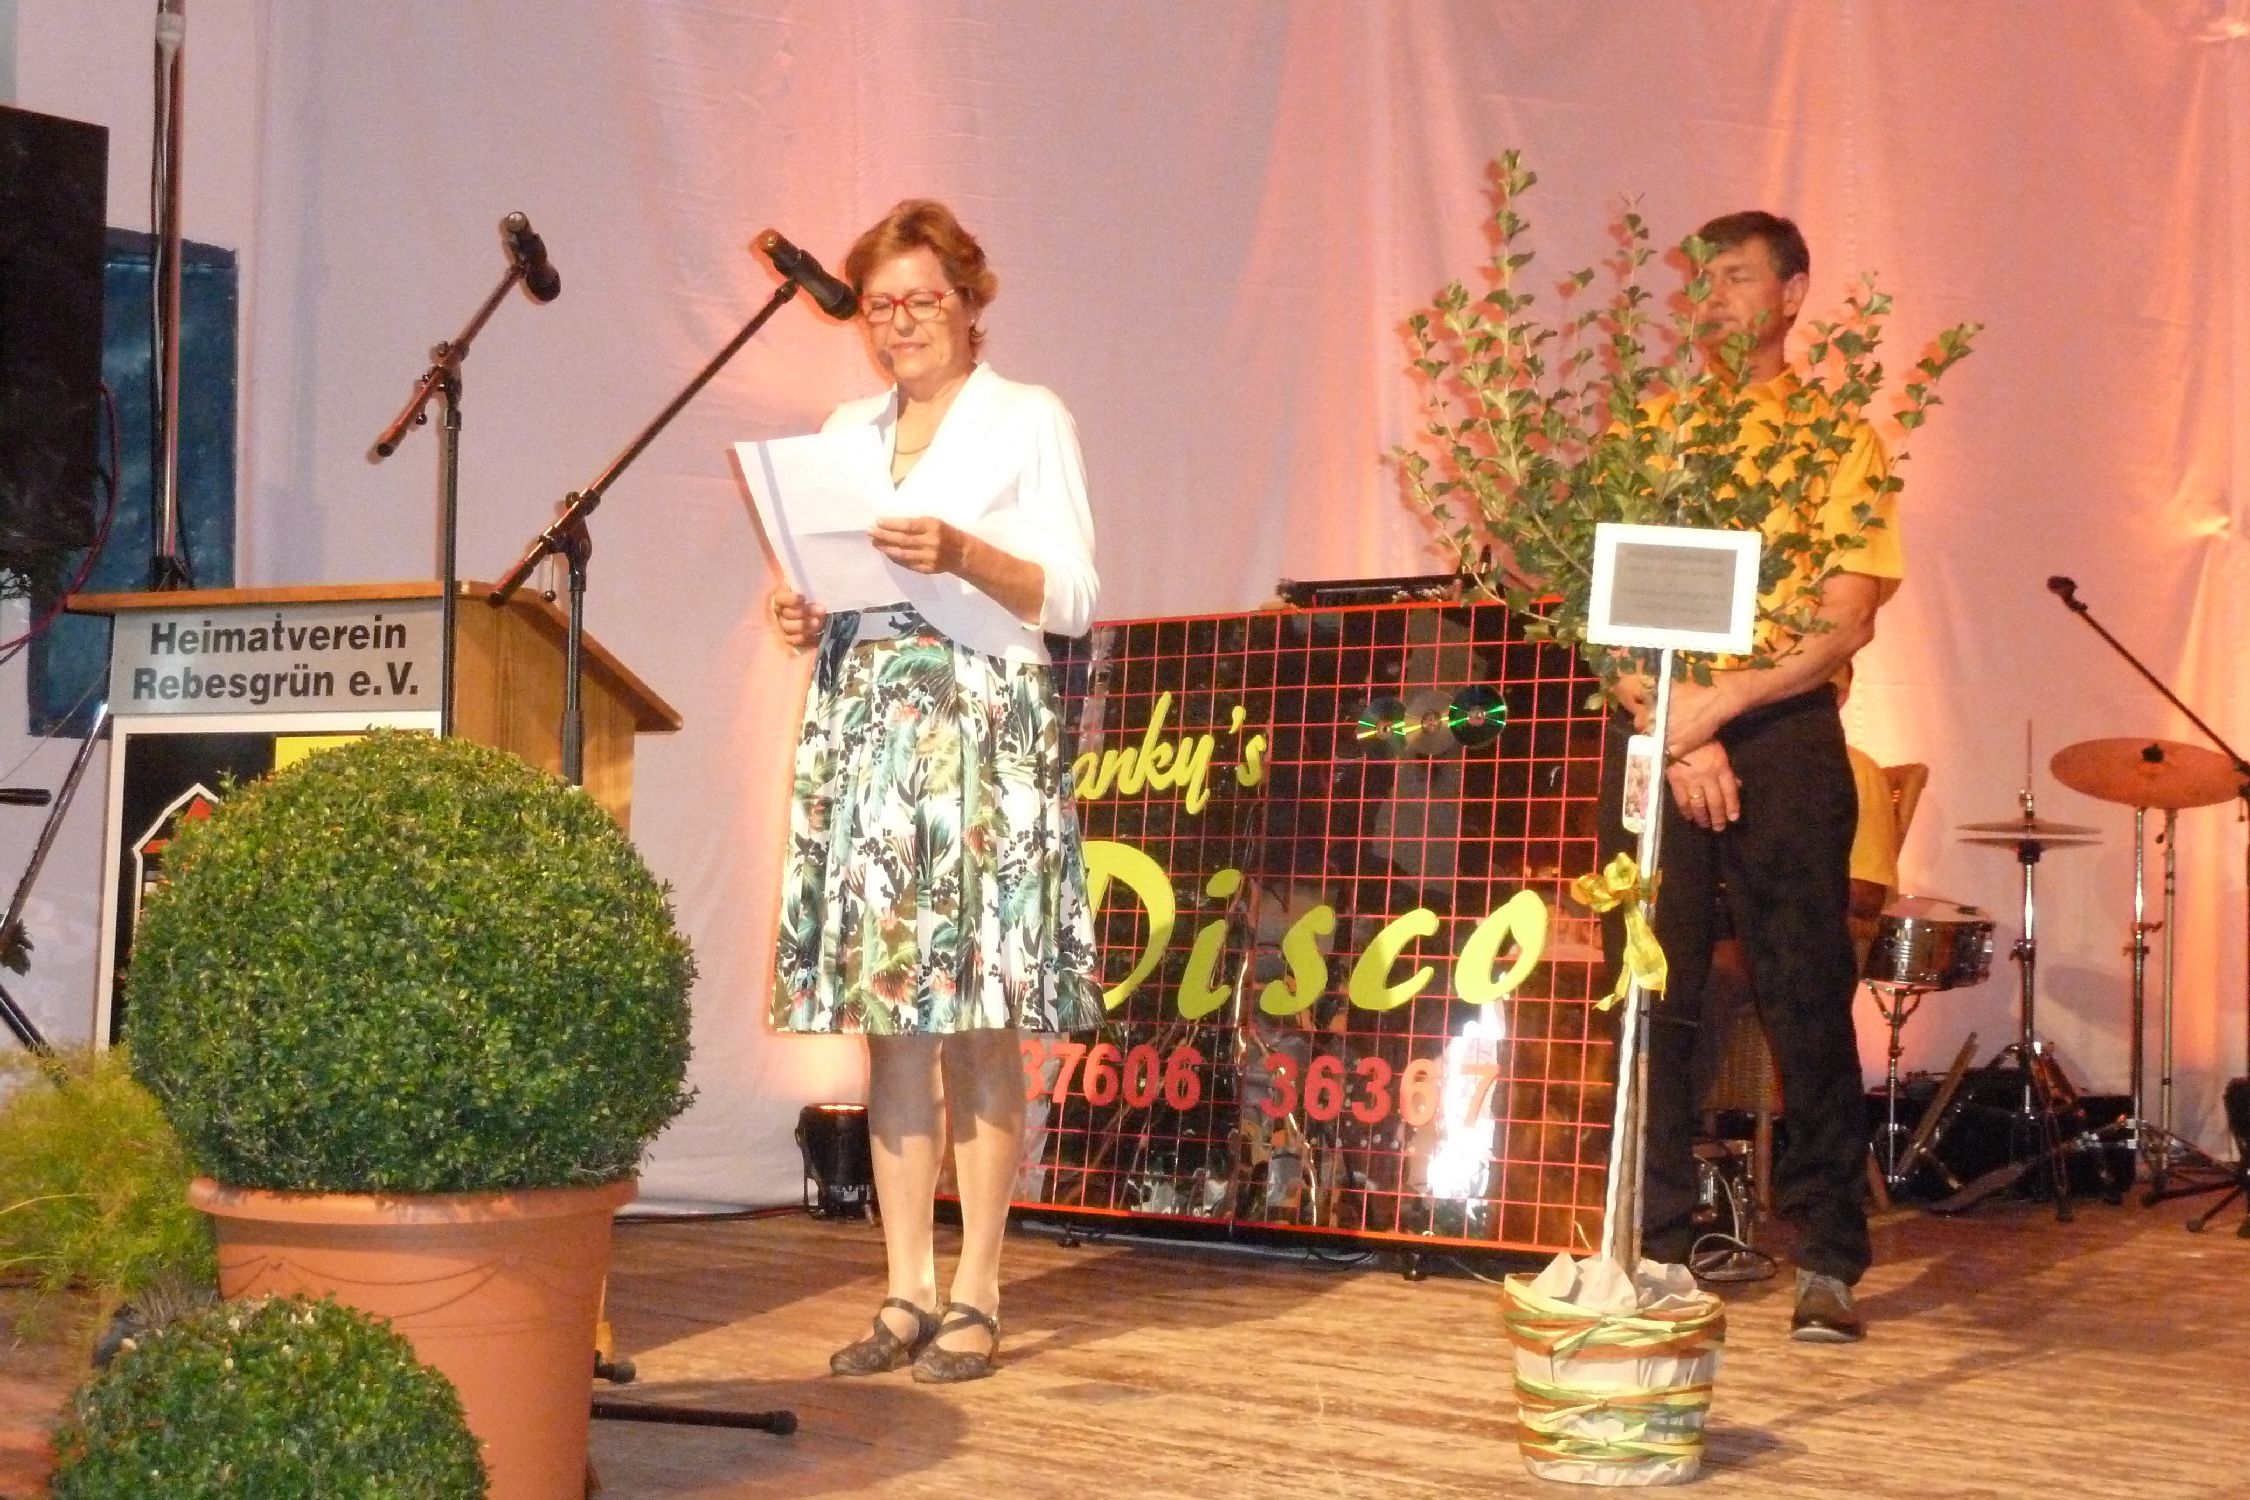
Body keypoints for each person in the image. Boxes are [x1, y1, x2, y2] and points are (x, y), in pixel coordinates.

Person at [767, 199, 1102, 1383]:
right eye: (880, 305)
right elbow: (825, 575)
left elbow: (1073, 597)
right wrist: (799, 611)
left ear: (969, 303)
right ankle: (905, 1286)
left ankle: (979, 1287)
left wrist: (961, 551)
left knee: (978, 1012)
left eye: (921, 299)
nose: (899, 322)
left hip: (980, 726)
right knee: (893, 1018)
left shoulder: (1026, 416)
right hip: (868, 725)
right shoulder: (844, 429)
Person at [1601, 210, 1899, 1343]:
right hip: (1663, 727)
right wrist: (1679, 730)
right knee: (1651, 985)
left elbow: (1845, 620)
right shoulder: (1654, 432)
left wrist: (1720, 709)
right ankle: (1657, 1241)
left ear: (1792, 293)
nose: (1712, 298)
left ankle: (1827, 1249)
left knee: (1803, 985)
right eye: (1700, 281)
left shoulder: (1833, 438)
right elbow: (1605, 608)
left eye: (1734, 277)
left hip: (1778, 731)